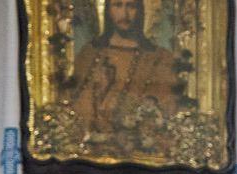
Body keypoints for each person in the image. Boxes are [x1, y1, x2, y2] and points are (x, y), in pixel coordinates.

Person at [68, 0, 181, 139]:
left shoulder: (159, 58)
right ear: (107, 10)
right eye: (118, 5)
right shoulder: (89, 54)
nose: (125, 14)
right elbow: (75, 104)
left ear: (140, 11)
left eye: (131, 6)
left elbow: (165, 108)